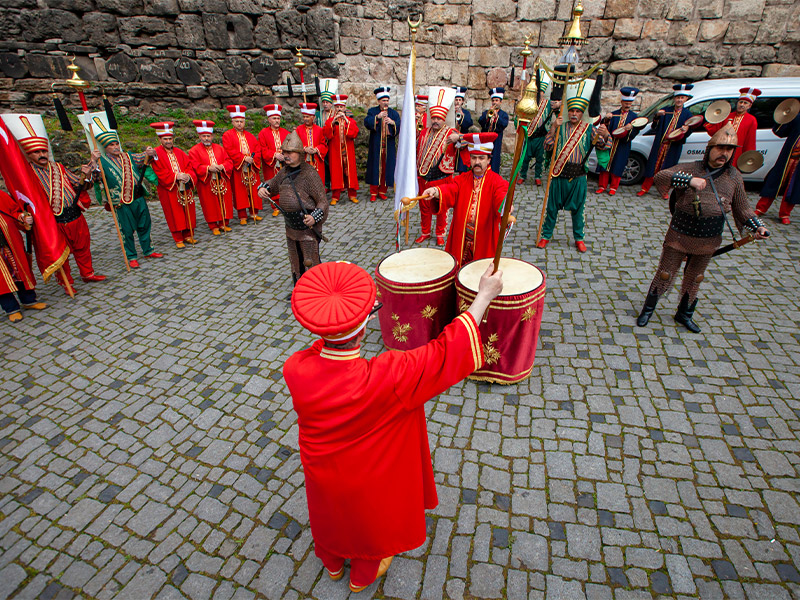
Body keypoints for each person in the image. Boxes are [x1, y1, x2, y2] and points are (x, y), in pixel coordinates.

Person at [283, 259, 503, 593]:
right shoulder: (387, 376)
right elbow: (445, 352)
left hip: (321, 470)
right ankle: (361, 576)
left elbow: (320, 349)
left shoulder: (295, 368)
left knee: (328, 510)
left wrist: (334, 315)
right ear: (364, 326)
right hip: (365, 476)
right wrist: (483, 296)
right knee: (365, 517)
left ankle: (330, 564)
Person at [636, 123, 769, 333]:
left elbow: (742, 208)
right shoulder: (691, 167)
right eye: (720, 148)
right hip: (680, 233)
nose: (724, 153)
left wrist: (757, 226)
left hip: (708, 238)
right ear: (710, 148)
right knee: (665, 273)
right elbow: (661, 176)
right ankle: (648, 310)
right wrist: (689, 180)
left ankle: (684, 314)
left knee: (695, 277)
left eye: (729, 149)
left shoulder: (734, 176)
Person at [20, 126, 106, 287]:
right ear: (29, 155)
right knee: (61, 253)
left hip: (74, 214)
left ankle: (88, 273)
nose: (42, 155)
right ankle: (66, 282)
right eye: (37, 152)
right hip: (53, 221)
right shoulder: (27, 175)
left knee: (83, 247)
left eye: (44, 151)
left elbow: (79, 184)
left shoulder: (58, 167)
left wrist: (88, 170)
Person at [537, 80, 608, 253]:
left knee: (578, 210)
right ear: (568, 112)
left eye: (577, 111)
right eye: (572, 110)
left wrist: (604, 135)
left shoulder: (589, 128)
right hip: (559, 175)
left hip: (578, 177)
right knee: (552, 208)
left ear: (581, 112)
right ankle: (546, 235)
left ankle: (579, 238)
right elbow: (547, 146)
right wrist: (553, 127)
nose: (574, 114)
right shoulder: (560, 127)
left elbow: (602, 146)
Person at [422, 132, 508, 267]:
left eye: (481, 158)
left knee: (481, 272)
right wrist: (436, 191)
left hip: (483, 240)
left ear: (488, 160)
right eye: (474, 158)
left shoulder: (497, 182)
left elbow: (501, 196)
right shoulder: (462, 179)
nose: (477, 162)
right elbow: (451, 190)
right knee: (458, 271)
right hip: (461, 238)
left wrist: (505, 206)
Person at [257, 132, 328, 285]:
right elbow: (272, 184)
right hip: (290, 227)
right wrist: (263, 188)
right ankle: (299, 290)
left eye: (290, 152)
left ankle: (318, 290)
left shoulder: (310, 174)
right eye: (284, 152)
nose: (286, 155)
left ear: (299, 154)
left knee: (311, 260)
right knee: (296, 261)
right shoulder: (284, 172)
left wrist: (314, 217)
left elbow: (322, 202)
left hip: (306, 227)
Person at [92, 127, 163, 269]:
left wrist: (150, 152)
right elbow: (95, 177)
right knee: (126, 230)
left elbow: (145, 157)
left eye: (116, 143)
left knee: (145, 224)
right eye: (111, 145)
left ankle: (148, 250)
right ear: (105, 148)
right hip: (121, 202)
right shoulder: (101, 162)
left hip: (138, 198)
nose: (115, 147)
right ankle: (131, 256)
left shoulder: (129, 156)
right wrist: (94, 161)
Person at [416, 88, 460, 246]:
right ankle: (425, 232)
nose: (435, 121)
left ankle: (440, 233)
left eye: (439, 118)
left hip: (442, 176)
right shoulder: (424, 132)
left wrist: (458, 138)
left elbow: (464, 144)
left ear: (444, 119)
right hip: (423, 176)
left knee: (442, 206)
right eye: (433, 117)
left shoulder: (452, 133)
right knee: (424, 205)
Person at [638, 83, 696, 197]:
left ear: (686, 99)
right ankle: (645, 188)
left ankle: (664, 191)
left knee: (668, 169)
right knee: (652, 166)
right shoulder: (665, 110)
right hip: (660, 144)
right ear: (674, 98)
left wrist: (686, 129)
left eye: (682, 98)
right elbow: (654, 126)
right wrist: (657, 116)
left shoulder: (688, 114)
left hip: (673, 146)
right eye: (678, 97)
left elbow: (690, 130)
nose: (679, 100)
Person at [147, 122, 198, 249]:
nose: (168, 141)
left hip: (184, 187)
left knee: (187, 210)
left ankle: (188, 234)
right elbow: (159, 171)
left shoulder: (180, 152)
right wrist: (176, 176)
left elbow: (189, 166)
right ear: (160, 139)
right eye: (165, 139)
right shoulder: (156, 153)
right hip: (169, 188)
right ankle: (177, 237)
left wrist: (187, 175)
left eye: (170, 138)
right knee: (174, 212)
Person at [0, 190, 47, 322]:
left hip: (10, 242)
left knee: (20, 270)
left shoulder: (0, 195)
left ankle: (28, 300)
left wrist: (23, 217)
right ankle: (11, 308)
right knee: (1, 280)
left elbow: (13, 211)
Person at [188, 119, 234, 235]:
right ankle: (213, 225)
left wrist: (222, 166)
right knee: (210, 203)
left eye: (208, 136)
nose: (206, 138)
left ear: (212, 136)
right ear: (199, 136)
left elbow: (229, 161)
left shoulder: (220, 148)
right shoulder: (194, 151)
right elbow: (195, 165)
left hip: (221, 179)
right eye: (204, 136)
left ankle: (224, 223)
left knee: (224, 201)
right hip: (207, 181)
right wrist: (208, 168)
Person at [755, 112, 800, 225]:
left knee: (793, 187)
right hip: (788, 156)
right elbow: (780, 132)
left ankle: (785, 213)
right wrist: (782, 118)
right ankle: (761, 208)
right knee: (775, 180)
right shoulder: (797, 117)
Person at [221, 105, 262, 225]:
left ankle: (254, 212)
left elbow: (257, 148)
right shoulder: (227, 135)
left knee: (253, 190)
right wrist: (243, 158)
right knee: (240, 192)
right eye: (237, 121)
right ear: (232, 122)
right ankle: (242, 215)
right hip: (239, 168)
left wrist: (252, 158)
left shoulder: (250, 136)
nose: (239, 124)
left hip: (251, 167)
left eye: (241, 121)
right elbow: (229, 150)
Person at [596, 86, 640, 196]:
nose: (627, 104)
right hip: (610, 144)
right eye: (625, 102)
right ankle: (602, 186)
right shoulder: (614, 114)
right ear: (621, 102)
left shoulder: (634, 117)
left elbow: (636, 130)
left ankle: (613, 187)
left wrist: (631, 129)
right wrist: (606, 119)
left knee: (618, 165)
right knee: (605, 164)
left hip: (622, 145)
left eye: (629, 102)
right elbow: (603, 126)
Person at [518, 69, 559, 186]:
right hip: (529, 135)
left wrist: (558, 105)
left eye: (541, 91)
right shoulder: (528, 101)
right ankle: (522, 175)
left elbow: (560, 111)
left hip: (541, 136)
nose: (539, 94)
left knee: (540, 158)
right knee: (525, 157)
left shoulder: (548, 104)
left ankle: (538, 176)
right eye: (538, 91)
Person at [705, 87, 759, 169]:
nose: (741, 105)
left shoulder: (751, 120)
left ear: (749, 106)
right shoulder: (727, 115)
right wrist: (712, 119)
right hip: (721, 148)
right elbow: (714, 132)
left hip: (737, 152)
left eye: (745, 103)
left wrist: (747, 157)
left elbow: (750, 140)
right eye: (740, 102)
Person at [364, 86, 400, 203]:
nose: (385, 102)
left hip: (388, 145)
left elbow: (399, 125)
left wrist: (392, 123)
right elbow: (367, 122)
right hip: (376, 145)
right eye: (383, 100)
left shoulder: (393, 113)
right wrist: (377, 118)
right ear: (378, 101)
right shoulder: (372, 111)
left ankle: (382, 191)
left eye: (387, 100)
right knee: (375, 167)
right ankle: (373, 192)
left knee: (386, 168)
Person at [323, 94, 359, 205]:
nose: (339, 109)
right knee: (336, 172)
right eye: (337, 107)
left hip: (348, 151)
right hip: (335, 151)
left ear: (345, 108)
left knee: (350, 172)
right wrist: (332, 123)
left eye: (341, 107)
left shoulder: (350, 121)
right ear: (334, 108)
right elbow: (327, 134)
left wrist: (346, 122)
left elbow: (354, 133)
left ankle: (352, 194)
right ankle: (335, 196)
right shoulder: (330, 121)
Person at [259, 104, 289, 216]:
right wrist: (274, 155)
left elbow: (290, 146)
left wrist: (285, 155)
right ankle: (275, 207)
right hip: (271, 164)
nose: (277, 121)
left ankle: (286, 204)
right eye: (274, 118)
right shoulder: (263, 133)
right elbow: (262, 149)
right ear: (269, 119)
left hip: (284, 164)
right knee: (273, 183)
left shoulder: (285, 132)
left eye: (278, 118)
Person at [478, 87, 510, 175]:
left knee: (495, 158)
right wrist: (488, 116)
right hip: (486, 139)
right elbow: (481, 122)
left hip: (496, 140)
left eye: (497, 100)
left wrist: (497, 117)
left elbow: (503, 125)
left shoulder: (503, 114)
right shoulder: (486, 112)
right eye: (493, 100)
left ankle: (493, 175)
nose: (495, 102)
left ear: (500, 102)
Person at [295, 102, 327, 183]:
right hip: (304, 161)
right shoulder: (298, 129)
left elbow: (324, 145)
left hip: (317, 162)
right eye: (304, 117)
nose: (305, 119)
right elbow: (295, 145)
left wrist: (316, 149)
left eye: (308, 117)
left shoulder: (319, 130)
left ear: (313, 117)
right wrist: (305, 148)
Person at [452, 86, 474, 173]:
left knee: (461, 163)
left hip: (462, 141)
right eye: (456, 99)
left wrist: (462, 115)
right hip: (452, 139)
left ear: (462, 102)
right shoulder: (450, 112)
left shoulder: (466, 113)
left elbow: (468, 124)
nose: (457, 102)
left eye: (459, 100)